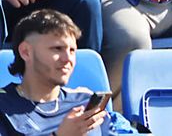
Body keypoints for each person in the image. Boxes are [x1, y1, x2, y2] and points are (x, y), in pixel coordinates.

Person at [0, 9, 137, 136]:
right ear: (26, 52)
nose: (68, 59)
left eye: (72, 50)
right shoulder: (4, 106)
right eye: (57, 49)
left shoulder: (84, 103)